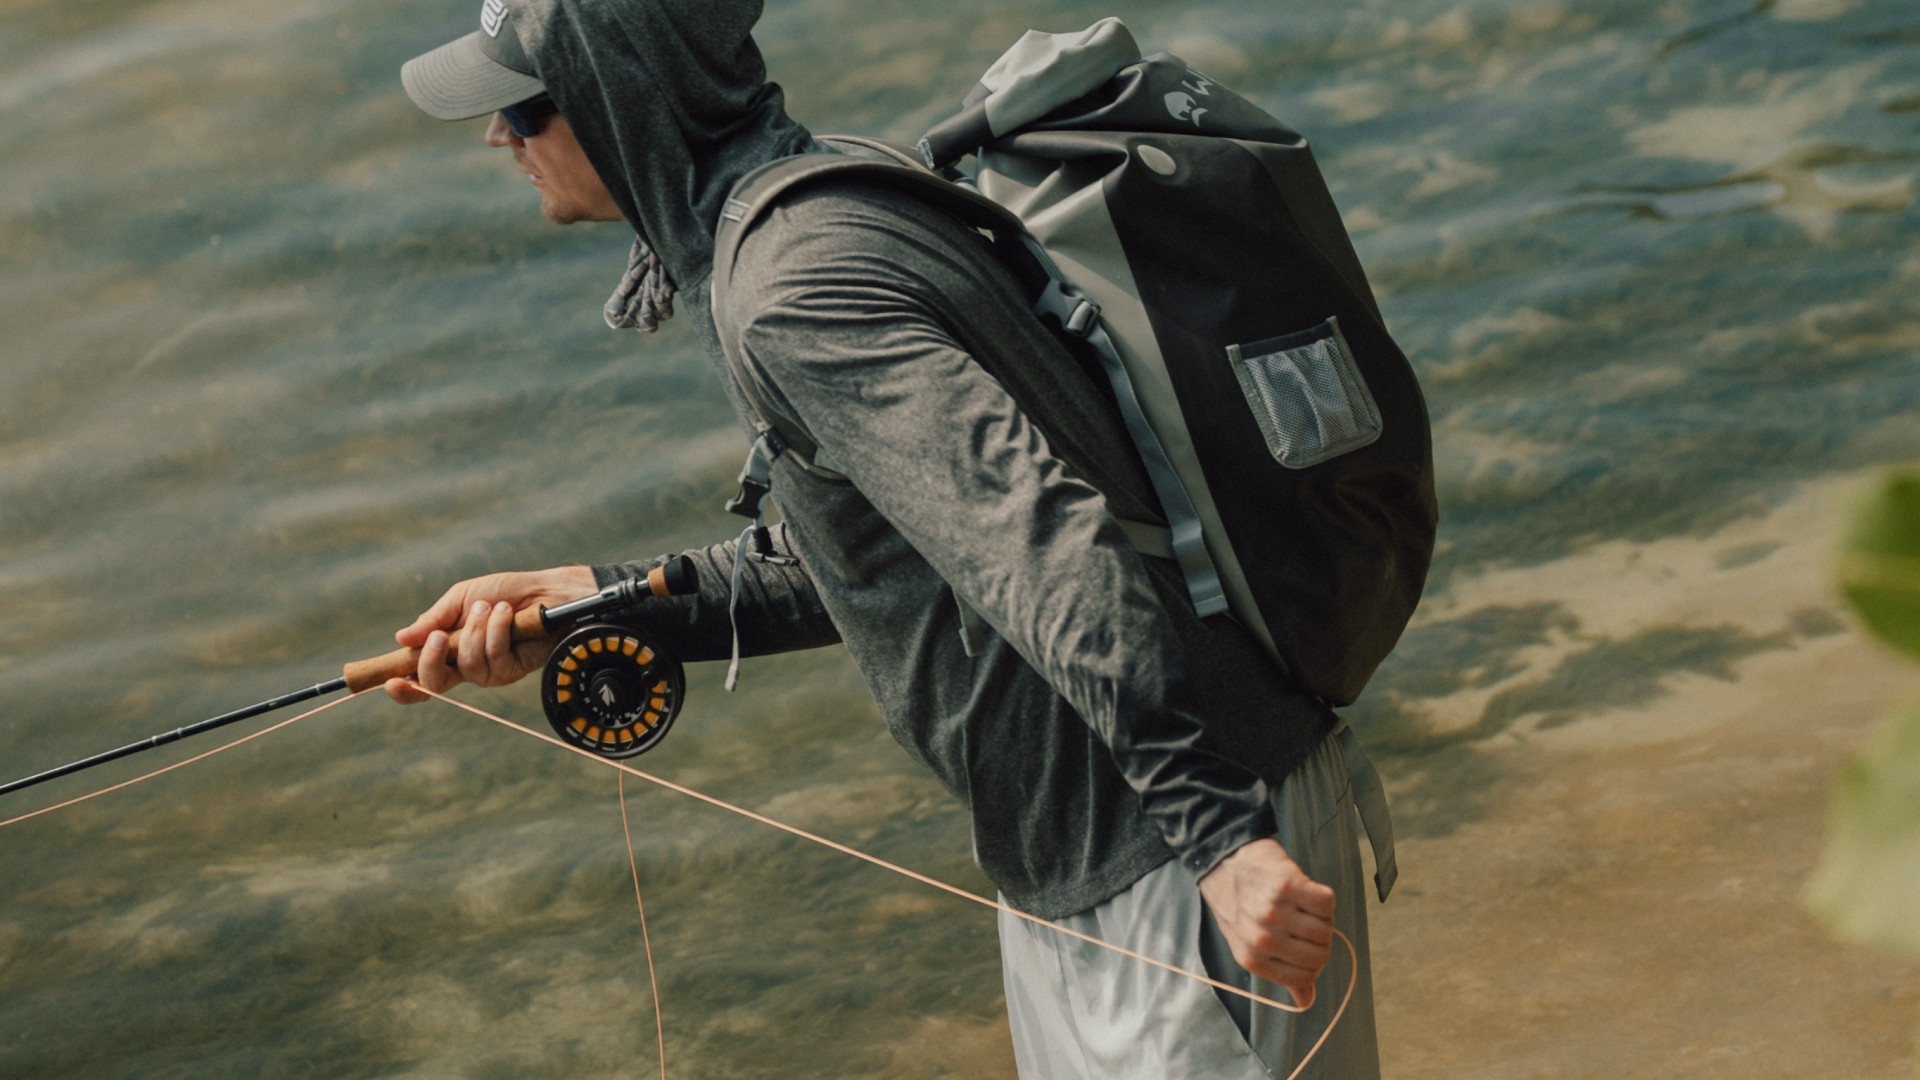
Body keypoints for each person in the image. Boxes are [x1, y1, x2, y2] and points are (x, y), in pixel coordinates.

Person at [393, 1, 1390, 1076]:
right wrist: (598, 603)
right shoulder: (821, 195)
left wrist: (1221, 842)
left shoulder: (793, 289)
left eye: (529, 106)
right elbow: (913, 549)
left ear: (625, 95)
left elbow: (1041, 535)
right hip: (1117, 852)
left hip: (1174, 862)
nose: (502, 137)